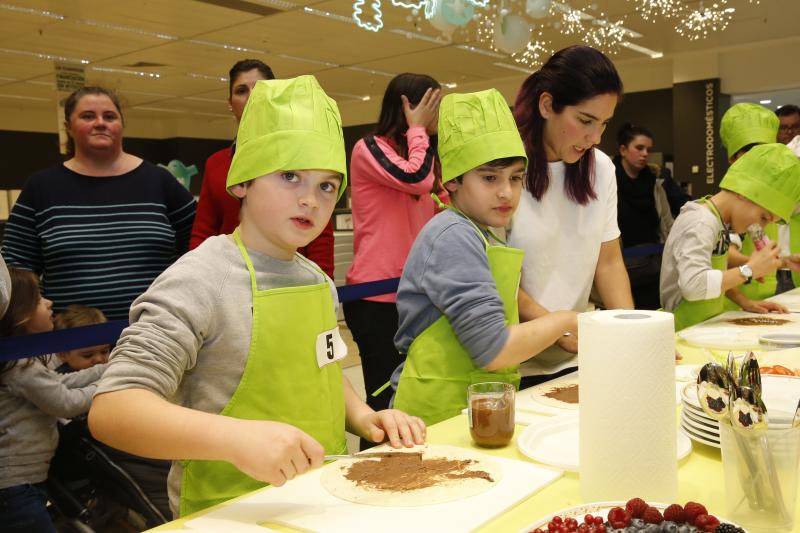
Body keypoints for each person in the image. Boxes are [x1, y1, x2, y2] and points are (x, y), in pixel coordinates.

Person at [88, 76, 426, 518]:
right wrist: (236, 439)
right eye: (290, 176)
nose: (310, 199)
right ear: (243, 181)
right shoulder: (200, 279)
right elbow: (114, 409)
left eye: (327, 185)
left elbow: (322, 371)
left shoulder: (315, 281)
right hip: (229, 513)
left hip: (323, 502)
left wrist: (364, 417)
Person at [391, 88, 578, 426]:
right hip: (434, 418)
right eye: (490, 178)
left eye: (515, 178)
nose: (507, 192)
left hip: (473, 408)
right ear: (453, 181)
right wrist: (563, 322)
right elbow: (493, 349)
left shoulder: (480, 231)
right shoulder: (453, 235)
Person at [1, 86, 196, 320]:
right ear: (68, 128)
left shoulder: (159, 180)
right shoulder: (41, 187)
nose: (100, 123)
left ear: (122, 125)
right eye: (88, 116)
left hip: (156, 332)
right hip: (71, 344)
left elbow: (198, 248)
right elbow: (16, 268)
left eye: (110, 116)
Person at [508, 45, 633, 385]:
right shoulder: (504, 173)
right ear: (547, 105)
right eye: (585, 121)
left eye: (604, 124)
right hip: (514, 361)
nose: (595, 138)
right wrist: (556, 326)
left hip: (578, 355)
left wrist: (634, 333)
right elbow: (498, 279)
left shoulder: (602, 170)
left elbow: (609, 264)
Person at [344, 73, 443, 425]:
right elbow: (415, 178)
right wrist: (418, 131)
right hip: (375, 298)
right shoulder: (368, 147)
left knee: (412, 394)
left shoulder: (424, 154)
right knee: (383, 402)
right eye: (430, 106)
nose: (435, 117)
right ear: (407, 106)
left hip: (416, 293)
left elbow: (438, 199)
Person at [189, 59, 335, 276]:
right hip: (227, 278)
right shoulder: (217, 163)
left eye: (260, 90)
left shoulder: (301, 155)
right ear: (230, 102)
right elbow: (203, 232)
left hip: (289, 276)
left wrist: (322, 279)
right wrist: (196, 276)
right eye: (241, 91)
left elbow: (319, 229)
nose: (251, 97)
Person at [0, 269, 106, 533]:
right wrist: (109, 386)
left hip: (24, 481)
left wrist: (109, 369)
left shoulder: (24, 358)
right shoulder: (18, 364)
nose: (48, 303)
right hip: (13, 485)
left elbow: (59, 384)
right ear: (21, 315)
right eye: (38, 299)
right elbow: (65, 402)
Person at [660, 144, 800, 331]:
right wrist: (749, 270)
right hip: (680, 329)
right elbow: (694, 285)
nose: (762, 226)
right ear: (744, 192)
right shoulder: (701, 221)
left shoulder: (719, 222)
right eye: (764, 217)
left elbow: (714, 275)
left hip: (702, 327)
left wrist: (745, 302)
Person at [718, 102, 798, 301]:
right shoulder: (729, 202)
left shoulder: (767, 196)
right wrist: (754, 266)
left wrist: (782, 262)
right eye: (750, 153)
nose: (757, 160)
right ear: (733, 159)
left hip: (763, 297)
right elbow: (722, 254)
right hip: (732, 305)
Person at [614, 123, 674, 310]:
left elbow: (666, 221)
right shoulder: (608, 182)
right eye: (639, 148)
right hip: (620, 266)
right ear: (623, 150)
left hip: (654, 265)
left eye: (648, 149)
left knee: (653, 315)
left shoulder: (654, 183)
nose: (645, 153)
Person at [53, 305, 110, 372]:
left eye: (104, 351)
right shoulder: (59, 379)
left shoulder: (112, 366)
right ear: (62, 355)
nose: (99, 359)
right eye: (88, 355)